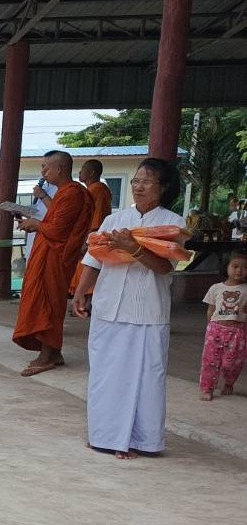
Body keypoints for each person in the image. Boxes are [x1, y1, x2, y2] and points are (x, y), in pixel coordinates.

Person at [72, 158, 186, 459]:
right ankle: (104, 436)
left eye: (147, 182)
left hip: (147, 312)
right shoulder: (114, 220)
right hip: (109, 308)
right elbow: (94, 258)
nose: (138, 186)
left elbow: (164, 267)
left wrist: (132, 247)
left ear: (163, 188)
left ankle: (142, 441)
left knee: (146, 377)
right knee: (105, 374)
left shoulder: (173, 223)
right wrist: (81, 292)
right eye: (136, 180)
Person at [13, 150, 94, 376]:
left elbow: (58, 231)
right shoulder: (64, 193)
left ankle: (46, 356)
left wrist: (35, 224)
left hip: (55, 256)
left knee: (47, 303)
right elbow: (56, 219)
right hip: (48, 254)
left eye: (45, 168)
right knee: (47, 301)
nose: (43, 172)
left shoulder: (72, 193)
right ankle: (54, 352)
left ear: (59, 169)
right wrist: (35, 222)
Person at [198, 250, 247, 400]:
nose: (239, 270)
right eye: (235, 266)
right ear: (226, 266)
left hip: (238, 332)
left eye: (244, 267)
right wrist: (209, 327)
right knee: (210, 361)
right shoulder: (216, 288)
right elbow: (210, 310)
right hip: (215, 330)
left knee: (231, 363)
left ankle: (229, 383)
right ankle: (207, 388)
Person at [69, 159, 114, 304]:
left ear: (92, 173)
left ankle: (87, 303)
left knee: (87, 268)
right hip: (85, 234)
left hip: (92, 235)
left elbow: (97, 216)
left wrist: (87, 240)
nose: (79, 172)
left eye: (83, 169)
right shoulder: (91, 190)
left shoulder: (98, 190)